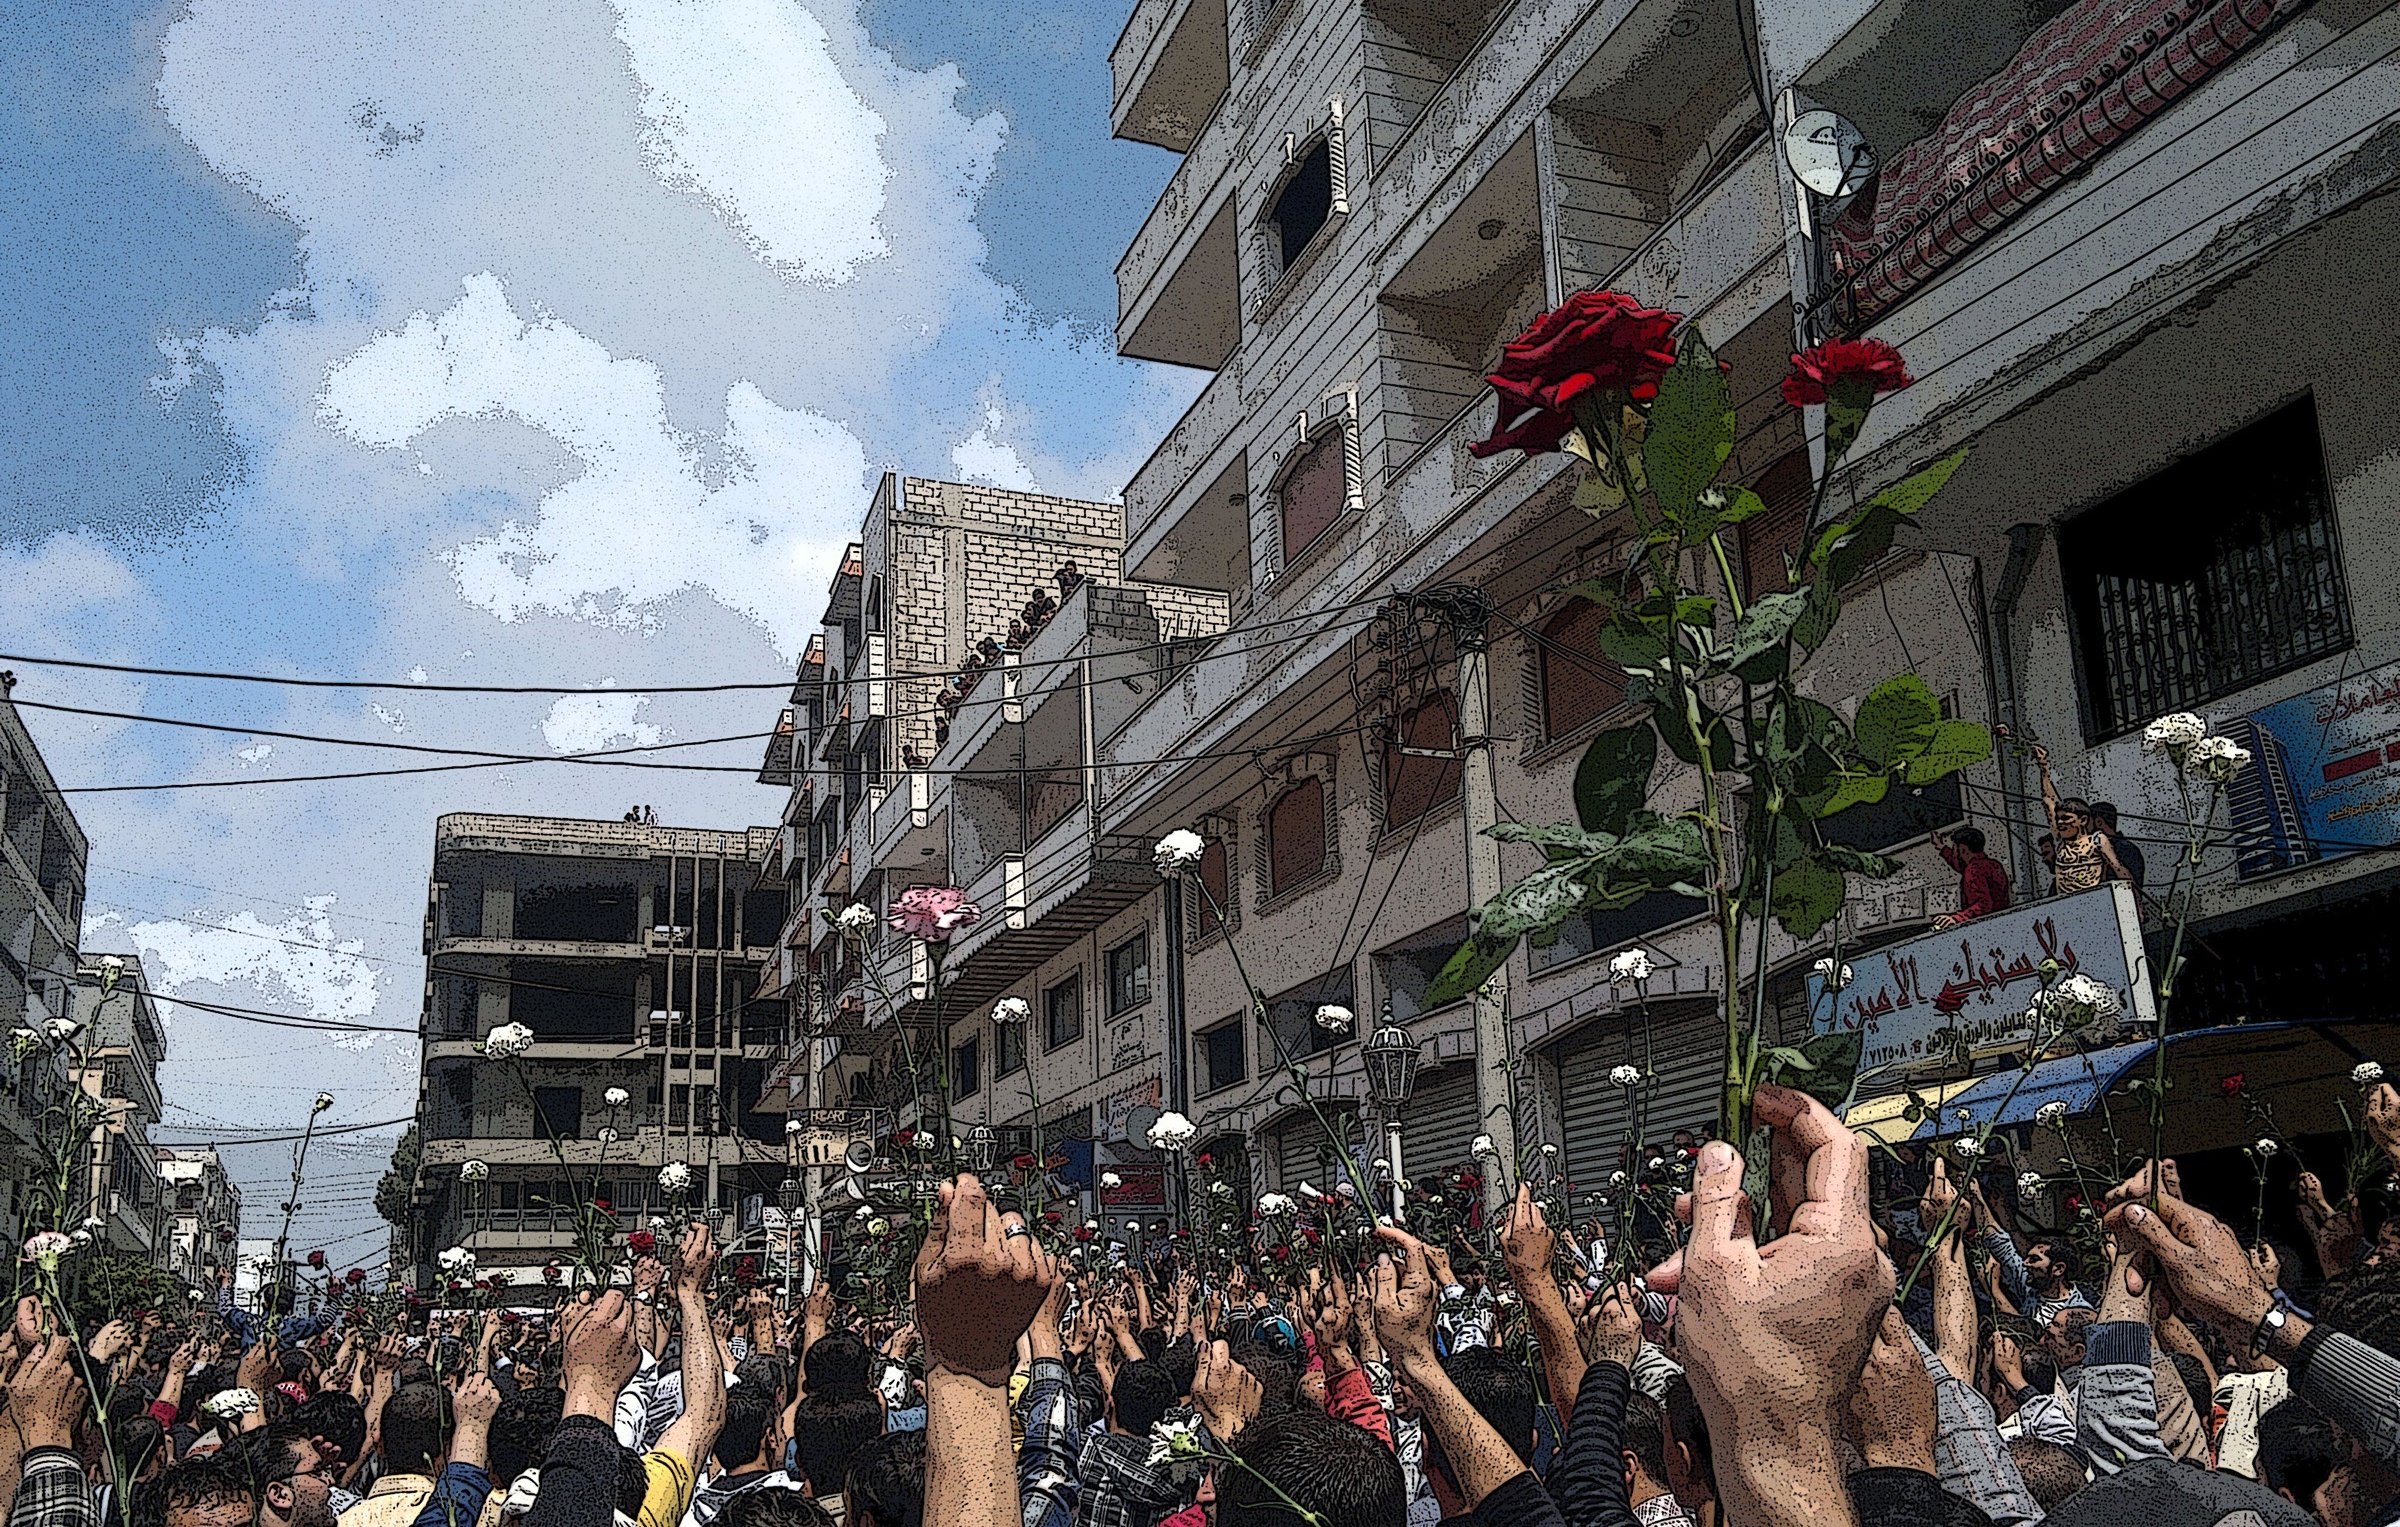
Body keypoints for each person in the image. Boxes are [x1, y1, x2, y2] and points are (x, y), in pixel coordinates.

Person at [2031, 745, 2128, 896]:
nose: (2061, 823)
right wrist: (2043, 767)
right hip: (2067, 904)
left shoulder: (2097, 840)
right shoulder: (2060, 842)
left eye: (2066, 818)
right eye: (2059, 819)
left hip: (2094, 900)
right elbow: (2048, 801)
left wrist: (2136, 902)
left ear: (2082, 820)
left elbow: (2118, 868)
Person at [1931, 826, 2011, 929]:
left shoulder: (1973, 870)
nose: (1954, 851)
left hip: (1985, 927)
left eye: (1955, 847)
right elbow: (1959, 865)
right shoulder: (1993, 865)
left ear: (1962, 849)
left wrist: (1957, 918)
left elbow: (1984, 904)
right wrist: (1940, 846)